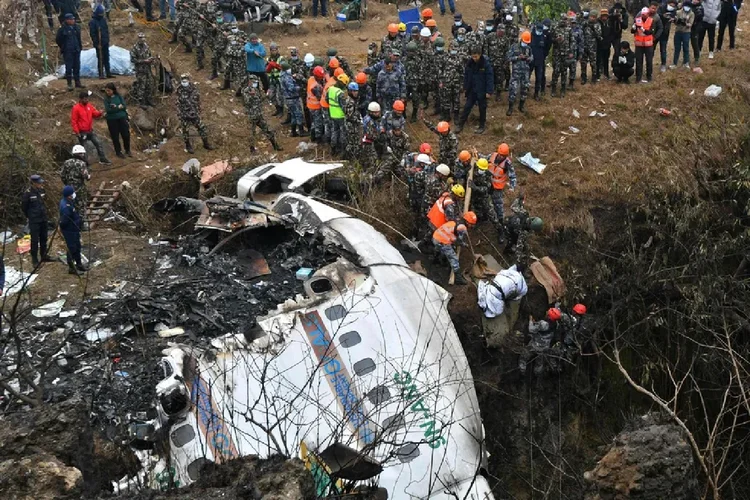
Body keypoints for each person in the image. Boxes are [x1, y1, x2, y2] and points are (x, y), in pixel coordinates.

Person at [432, 211, 477, 286]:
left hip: (435, 236)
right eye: (472, 224)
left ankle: (436, 259)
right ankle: (458, 278)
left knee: (442, 250)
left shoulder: (457, 220)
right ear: (468, 222)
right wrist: (464, 244)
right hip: (442, 241)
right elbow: (458, 240)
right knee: (454, 258)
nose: (472, 226)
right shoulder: (462, 228)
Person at [456, 48, 494, 135]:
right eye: (473, 56)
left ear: (480, 55)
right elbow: (466, 76)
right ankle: (460, 124)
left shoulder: (485, 64)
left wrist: (489, 91)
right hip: (472, 90)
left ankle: (482, 125)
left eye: (476, 56)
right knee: (467, 107)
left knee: (482, 108)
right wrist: (465, 87)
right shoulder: (470, 63)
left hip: (482, 90)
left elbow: (490, 78)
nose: (474, 58)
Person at [242, 75, 282, 152]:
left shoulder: (256, 90)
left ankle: (275, 145)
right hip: (251, 116)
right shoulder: (245, 90)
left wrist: (266, 95)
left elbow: (259, 100)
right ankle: (252, 150)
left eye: (256, 82)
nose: (255, 83)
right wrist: (252, 96)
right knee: (251, 134)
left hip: (259, 115)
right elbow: (247, 101)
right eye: (254, 82)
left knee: (267, 130)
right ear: (250, 81)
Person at [175, 74, 214, 153]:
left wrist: (197, 111)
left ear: (189, 80)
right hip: (184, 115)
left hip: (194, 114)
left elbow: (197, 101)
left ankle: (206, 143)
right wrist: (181, 114)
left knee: (202, 128)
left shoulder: (193, 88)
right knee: (185, 131)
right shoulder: (178, 90)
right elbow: (177, 104)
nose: (184, 82)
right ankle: (188, 145)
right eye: (183, 81)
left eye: (186, 80)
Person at [21, 175, 54, 268]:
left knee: (44, 238)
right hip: (34, 220)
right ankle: (34, 260)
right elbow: (24, 207)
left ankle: (44, 255)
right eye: (38, 183)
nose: (40, 184)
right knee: (35, 240)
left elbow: (44, 202)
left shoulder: (41, 191)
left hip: (43, 218)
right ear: (33, 183)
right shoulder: (28, 193)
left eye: (40, 182)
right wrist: (30, 216)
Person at [488, 143, 517, 244]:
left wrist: (512, 187)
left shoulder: (507, 163)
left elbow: (513, 176)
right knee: (485, 203)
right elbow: (484, 158)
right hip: (488, 184)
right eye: (500, 154)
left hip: (497, 189)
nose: (501, 156)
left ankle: (501, 230)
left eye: (503, 155)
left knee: (498, 208)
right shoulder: (492, 155)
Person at [71, 92, 110, 165]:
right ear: (81, 99)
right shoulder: (76, 108)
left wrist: (100, 113)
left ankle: (102, 158)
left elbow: (94, 113)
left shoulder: (89, 106)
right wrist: (77, 132)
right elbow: (74, 121)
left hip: (90, 130)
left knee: (98, 143)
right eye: (85, 99)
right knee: (84, 148)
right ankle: (85, 164)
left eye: (87, 98)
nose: (87, 100)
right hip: (82, 131)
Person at [59, 186, 87, 276]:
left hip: (74, 230)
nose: (74, 194)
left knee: (77, 247)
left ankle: (79, 264)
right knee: (71, 249)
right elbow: (64, 221)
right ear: (69, 195)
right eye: (72, 193)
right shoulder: (65, 207)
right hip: (69, 231)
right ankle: (72, 268)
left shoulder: (69, 202)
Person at [631, 6, 662, 83]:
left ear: (648, 14)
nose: (643, 16)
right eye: (642, 14)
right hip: (639, 44)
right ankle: (638, 77)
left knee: (649, 61)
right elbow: (632, 31)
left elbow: (650, 32)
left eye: (645, 14)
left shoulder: (652, 21)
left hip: (648, 44)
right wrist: (634, 28)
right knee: (638, 61)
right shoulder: (637, 20)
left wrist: (643, 29)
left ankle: (649, 76)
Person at [507, 31, 533, 115]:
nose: (526, 43)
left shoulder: (528, 48)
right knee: (513, 90)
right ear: (521, 39)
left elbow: (532, 57)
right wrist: (518, 57)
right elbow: (508, 57)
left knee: (524, 89)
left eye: (527, 42)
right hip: (516, 73)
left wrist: (528, 59)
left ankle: (521, 106)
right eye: (525, 42)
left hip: (525, 73)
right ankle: (510, 108)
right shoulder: (514, 47)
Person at [103, 83, 131, 159]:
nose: (107, 92)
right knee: (115, 136)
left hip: (122, 118)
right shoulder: (106, 99)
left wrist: (115, 108)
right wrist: (119, 107)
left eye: (109, 91)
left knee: (126, 134)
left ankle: (127, 150)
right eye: (106, 91)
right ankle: (118, 151)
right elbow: (108, 110)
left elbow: (124, 106)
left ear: (113, 90)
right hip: (112, 120)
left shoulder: (119, 96)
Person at [56, 14, 83, 92]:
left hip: (76, 49)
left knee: (77, 66)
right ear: (67, 20)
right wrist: (64, 47)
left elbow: (79, 38)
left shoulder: (76, 27)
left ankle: (77, 82)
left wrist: (79, 47)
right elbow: (58, 40)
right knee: (69, 67)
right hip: (68, 51)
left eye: (73, 19)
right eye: (71, 19)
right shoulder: (62, 29)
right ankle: (69, 83)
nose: (73, 21)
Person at [281, 61, 308, 138]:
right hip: (293, 98)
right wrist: (300, 88)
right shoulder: (287, 78)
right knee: (298, 114)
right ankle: (301, 131)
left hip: (288, 98)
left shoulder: (283, 76)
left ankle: (293, 132)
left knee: (293, 115)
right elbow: (291, 88)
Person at [61, 144, 91, 212]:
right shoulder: (82, 164)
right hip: (80, 188)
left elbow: (62, 175)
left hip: (69, 188)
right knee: (81, 205)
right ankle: (83, 221)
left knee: (71, 205)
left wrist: (67, 183)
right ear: (80, 154)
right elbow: (85, 176)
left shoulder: (66, 162)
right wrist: (88, 176)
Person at [551, 13, 575, 97]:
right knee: (556, 71)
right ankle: (553, 88)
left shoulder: (569, 29)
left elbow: (572, 41)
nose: (564, 21)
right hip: (557, 54)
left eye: (565, 19)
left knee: (564, 72)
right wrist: (556, 40)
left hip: (566, 53)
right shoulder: (555, 28)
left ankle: (563, 89)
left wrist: (571, 52)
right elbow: (551, 40)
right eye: (563, 19)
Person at [130, 33, 156, 107]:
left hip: (148, 69)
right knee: (141, 85)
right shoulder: (135, 48)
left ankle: (149, 99)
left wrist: (152, 60)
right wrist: (144, 61)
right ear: (138, 39)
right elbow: (133, 60)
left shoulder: (146, 46)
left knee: (149, 84)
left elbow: (149, 55)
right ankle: (140, 102)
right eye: (141, 38)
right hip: (140, 70)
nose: (142, 39)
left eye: (143, 38)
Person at [222, 23, 247, 95]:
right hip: (231, 55)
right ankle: (226, 85)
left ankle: (240, 89)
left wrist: (239, 39)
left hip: (239, 57)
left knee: (239, 72)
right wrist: (225, 36)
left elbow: (247, 42)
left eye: (235, 28)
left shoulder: (242, 34)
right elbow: (225, 41)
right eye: (232, 28)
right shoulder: (229, 34)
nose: (233, 29)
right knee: (227, 69)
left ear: (237, 27)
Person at [328, 74, 349, 155]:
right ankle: (343, 150)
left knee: (334, 131)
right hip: (340, 116)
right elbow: (343, 107)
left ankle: (333, 149)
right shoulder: (340, 93)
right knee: (343, 132)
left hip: (332, 114)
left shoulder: (330, 89)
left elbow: (327, 100)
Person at [89, 4, 111, 79]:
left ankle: (108, 73)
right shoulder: (93, 22)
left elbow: (106, 30)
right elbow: (93, 34)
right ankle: (101, 74)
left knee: (106, 57)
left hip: (105, 42)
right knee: (100, 58)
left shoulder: (103, 20)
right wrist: (97, 43)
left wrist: (107, 39)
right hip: (99, 43)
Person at [581, 11, 603, 84]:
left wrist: (593, 27)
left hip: (592, 46)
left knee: (593, 62)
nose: (592, 18)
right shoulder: (585, 23)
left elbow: (599, 35)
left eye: (594, 17)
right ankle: (583, 77)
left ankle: (594, 76)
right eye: (591, 16)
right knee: (583, 62)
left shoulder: (597, 25)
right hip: (584, 45)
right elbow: (580, 30)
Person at [672, 2, 695, 68]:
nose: (686, 7)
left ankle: (686, 62)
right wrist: (676, 21)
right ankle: (674, 63)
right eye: (685, 6)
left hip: (686, 32)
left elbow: (690, 24)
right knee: (677, 48)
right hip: (678, 32)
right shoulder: (678, 12)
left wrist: (685, 23)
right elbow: (675, 22)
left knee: (686, 47)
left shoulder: (692, 14)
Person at [307, 66, 326, 142]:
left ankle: (312, 136)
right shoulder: (316, 87)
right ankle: (318, 138)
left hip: (310, 105)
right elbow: (320, 98)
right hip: (316, 107)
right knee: (318, 122)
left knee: (313, 122)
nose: (321, 79)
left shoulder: (310, 79)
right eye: (320, 77)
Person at [657, 1, 678, 72]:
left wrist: (674, 19)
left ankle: (663, 64)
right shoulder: (661, 7)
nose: (672, 6)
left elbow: (675, 19)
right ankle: (649, 62)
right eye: (671, 5)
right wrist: (663, 16)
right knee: (652, 48)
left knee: (663, 49)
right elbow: (657, 16)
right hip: (656, 31)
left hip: (665, 32)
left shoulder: (674, 10)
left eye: (673, 5)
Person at [531, 23, 549, 100]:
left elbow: (546, 47)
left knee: (539, 78)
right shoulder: (531, 35)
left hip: (540, 60)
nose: (540, 32)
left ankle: (536, 93)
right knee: (527, 75)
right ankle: (524, 90)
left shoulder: (543, 36)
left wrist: (544, 56)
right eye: (539, 30)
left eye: (541, 30)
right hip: (531, 60)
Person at [598, 10, 613, 79]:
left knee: (606, 60)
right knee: (598, 60)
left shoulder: (609, 23)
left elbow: (612, 33)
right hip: (599, 45)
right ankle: (597, 75)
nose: (604, 17)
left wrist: (609, 41)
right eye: (603, 16)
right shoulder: (598, 23)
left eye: (605, 16)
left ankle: (606, 74)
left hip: (607, 45)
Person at [689, 0, 705, 65]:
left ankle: (697, 58)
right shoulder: (688, 5)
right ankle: (686, 58)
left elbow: (699, 17)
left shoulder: (700, 8)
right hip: (686, 27)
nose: (694, 1)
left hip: (695, 28)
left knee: (695, 43)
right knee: (685, 43)